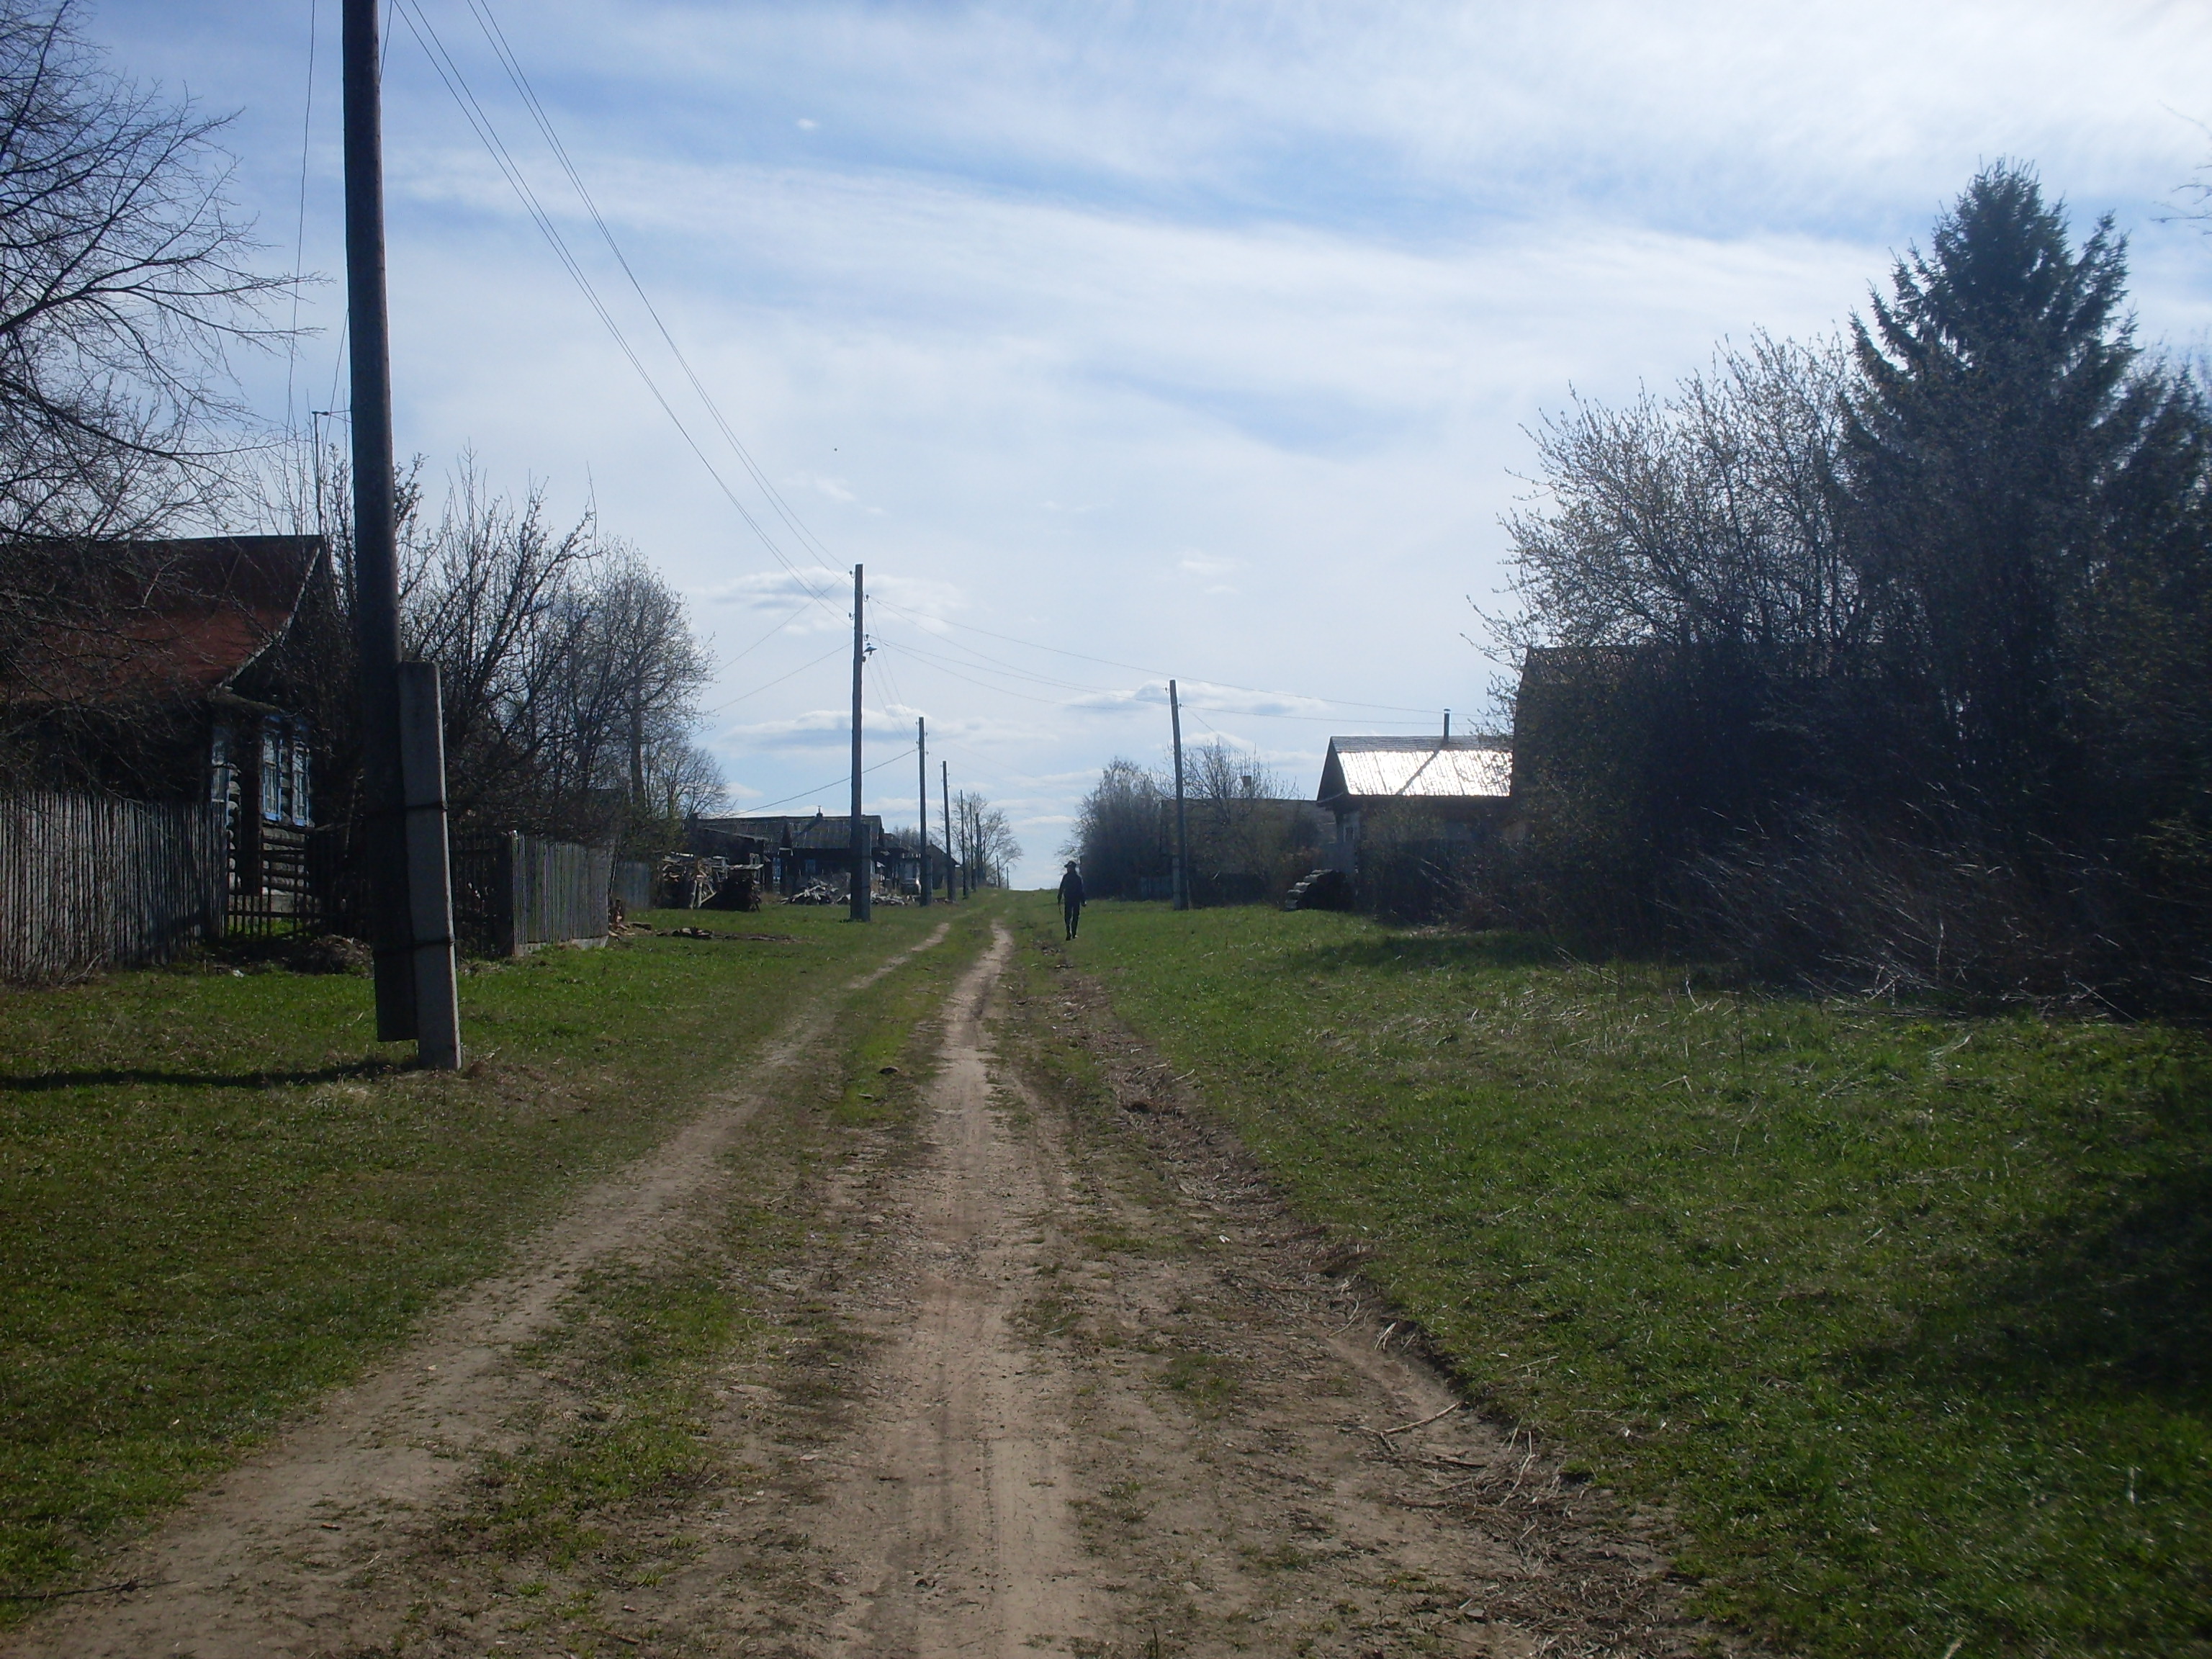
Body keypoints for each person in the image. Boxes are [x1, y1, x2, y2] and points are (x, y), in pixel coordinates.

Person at [1058, 859, 1086, 940]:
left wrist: (1083, 900)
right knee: (1068, 916)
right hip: (1069, 899)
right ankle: (1069, 933)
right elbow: (1062, 887)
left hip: (1075, 899)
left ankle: (1073, 933)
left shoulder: (1077, 878)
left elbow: (1081, 890)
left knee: (1075, 916)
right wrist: (1059, 896)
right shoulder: (1069, 877)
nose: (1069, 869)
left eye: (1070, 868)